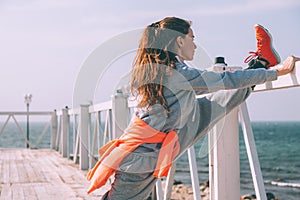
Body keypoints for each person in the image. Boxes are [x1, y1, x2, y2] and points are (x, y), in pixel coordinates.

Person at [86, 17, 299, 199]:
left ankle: (262, 61)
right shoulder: (177, 74)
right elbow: (226, 79)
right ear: (179, 41)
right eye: (192, 39)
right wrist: (277, 72)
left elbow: (214, 85)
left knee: (211, 105)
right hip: (141, 158)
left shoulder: (161, 70)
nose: (195, 45)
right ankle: (263, 62)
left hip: (149, 151)